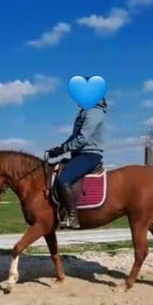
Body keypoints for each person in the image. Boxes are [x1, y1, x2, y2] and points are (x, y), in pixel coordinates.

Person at [46, 96, 107, 229]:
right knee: (57, 170)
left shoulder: (94, 112)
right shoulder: (84, 112)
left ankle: (72, 216)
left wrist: (63, 149)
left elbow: (82, 139)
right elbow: (74, 137)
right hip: (79, 154)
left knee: (63, 179)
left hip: (90, 154)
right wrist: (60, 149)